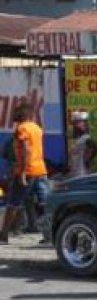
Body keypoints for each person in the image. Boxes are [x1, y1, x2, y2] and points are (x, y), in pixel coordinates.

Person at [0, 102, 49, 245]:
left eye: (15, 113)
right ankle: (49, 236)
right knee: (43, 203)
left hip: (27, 171)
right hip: (41, 170)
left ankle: (3, 236)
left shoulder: (21, 129)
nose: (12, 115)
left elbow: (26, 150)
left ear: (20, 115)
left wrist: (22, 172)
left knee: (13, 204)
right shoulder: (37, 128)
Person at [68, 111, 97, 178]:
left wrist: (88, 160)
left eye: (78, 122)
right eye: (75, 123)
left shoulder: (85, 138)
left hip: (81, 173)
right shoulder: (79, 138)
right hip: (75, 172)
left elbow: (96, 147)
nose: (75, 125)